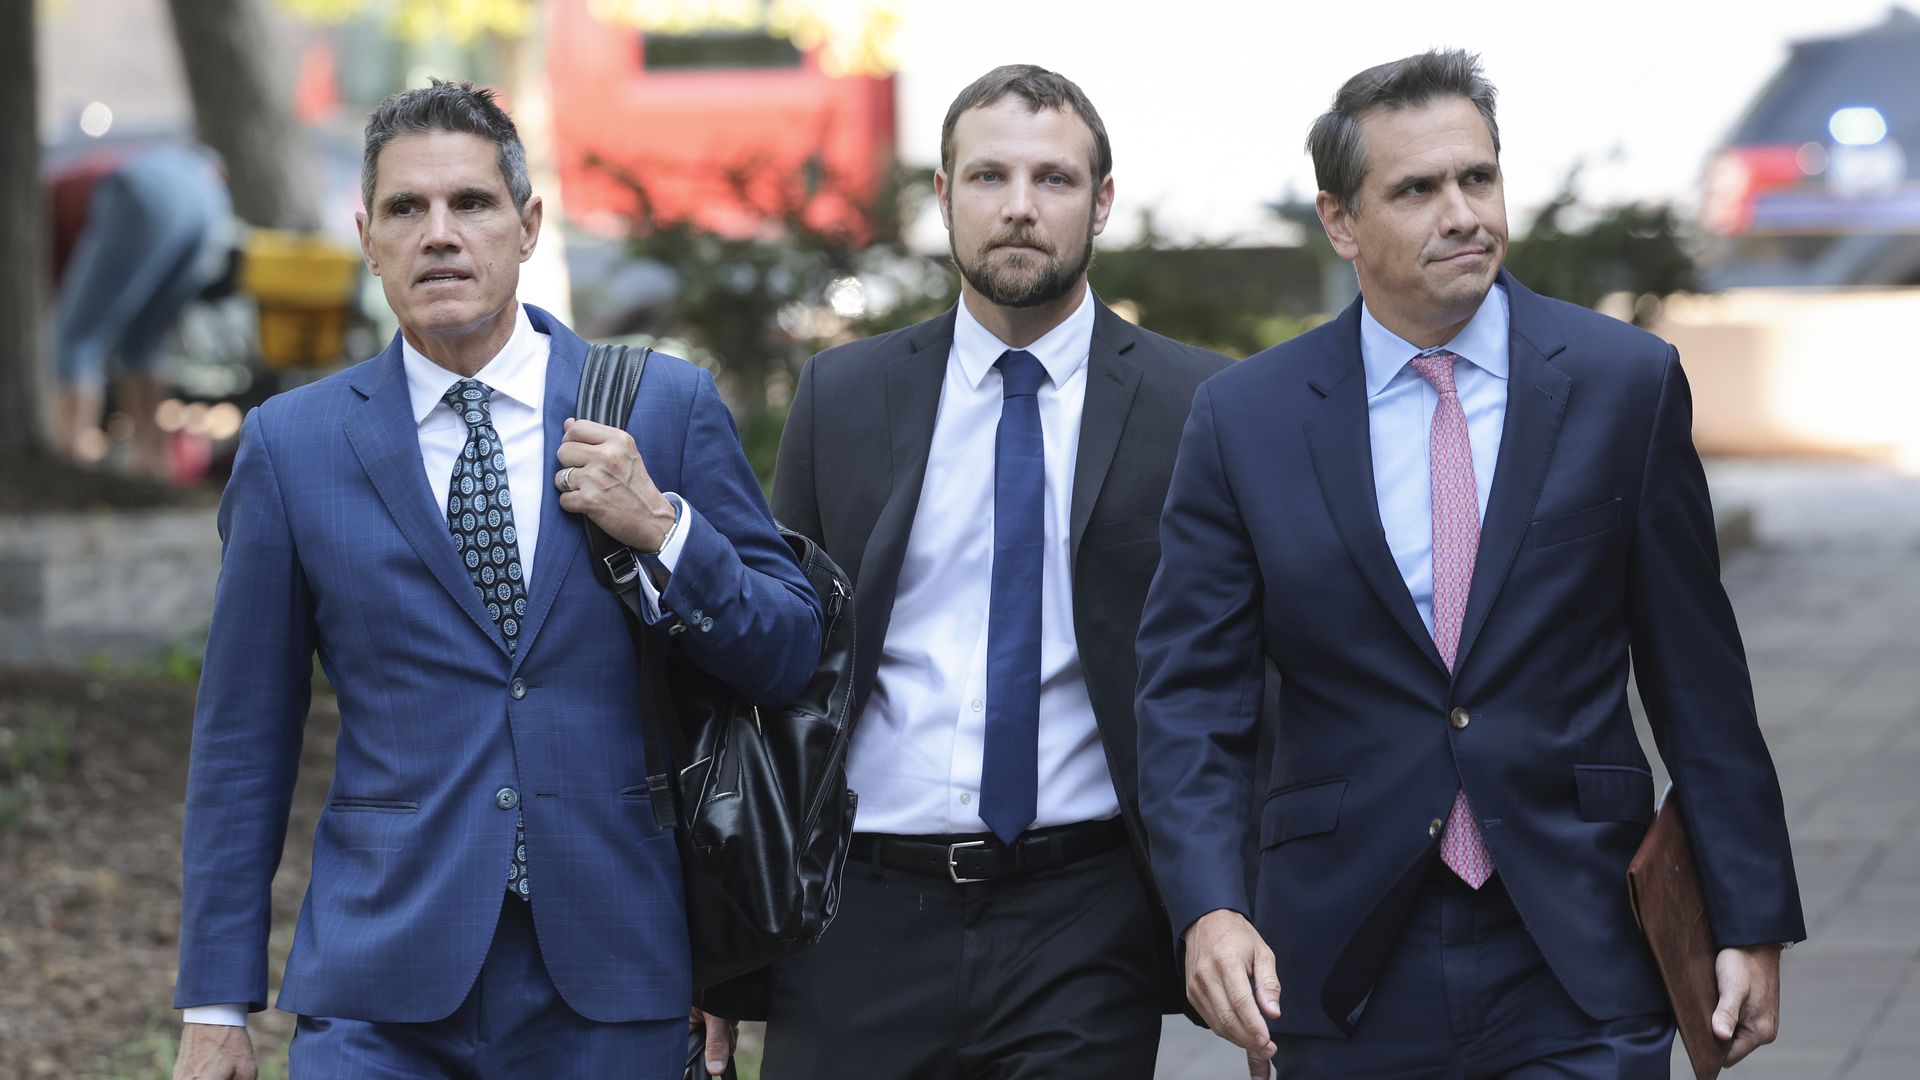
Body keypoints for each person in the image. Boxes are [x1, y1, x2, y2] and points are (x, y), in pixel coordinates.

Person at [1135, 49, 1805, 1078]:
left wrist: (1748, 913)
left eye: (1478, 177)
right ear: (1341, 221)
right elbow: (1191, 700)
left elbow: (1699, 677)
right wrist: (1211, 907)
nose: (1463, 213)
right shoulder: (1246, 419)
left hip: (1582, 944)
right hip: (1345, 953)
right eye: (1417, 189)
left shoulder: (1624, 385)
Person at [170, 80, 822, 1079]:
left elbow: (786, 653)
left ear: (527, 226)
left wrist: (664, 529)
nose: (439, 234)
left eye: (469, 204)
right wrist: (215, 1006)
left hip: (617, 974)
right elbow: (241, 741)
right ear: (366, 236)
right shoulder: (291, 449)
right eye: (406, 209)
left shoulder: (664, 409)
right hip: (379, 993)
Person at [762, 64, 1227, 1080]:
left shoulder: (1200, 404)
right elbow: (776, 657)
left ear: (1102, 200)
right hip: (859, 912)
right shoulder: (845, 394)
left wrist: (1233, 904)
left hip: (1081, 911)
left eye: (1054, 180)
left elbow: (1243, 676)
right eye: (988, 178)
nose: (1019, 208)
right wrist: (718, 958)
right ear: (943, 195)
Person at [48, 142, 233, 477]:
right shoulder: (185, 165)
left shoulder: (45, 195)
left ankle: (70, 463)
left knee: (75, 339)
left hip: (144, 197)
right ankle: (150, 462)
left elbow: (57, 277)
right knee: (143, 341)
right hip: (209, 208)